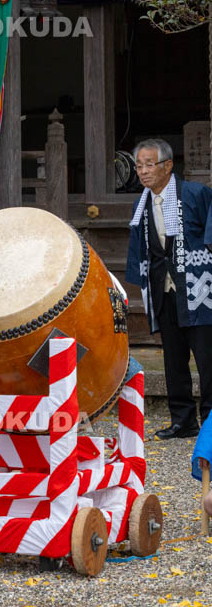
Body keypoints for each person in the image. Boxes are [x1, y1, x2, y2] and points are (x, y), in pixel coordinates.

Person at [126, 138, 212, 440]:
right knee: (173, 358)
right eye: (139, 166)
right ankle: (183, 421)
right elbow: (143, 247)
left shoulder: (196, 193)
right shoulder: (142, 203)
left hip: (199, 289)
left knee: (207, 358)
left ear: (168, 165)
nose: (143, 172)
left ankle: (211, 424)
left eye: (150, 165)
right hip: (164, 288)